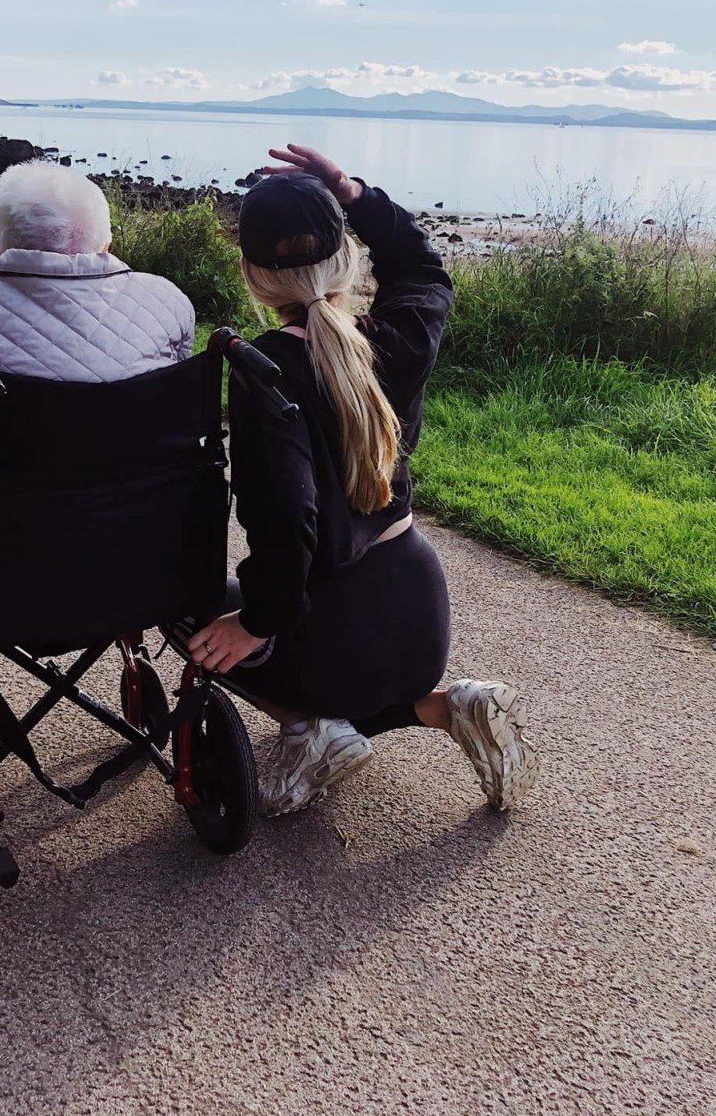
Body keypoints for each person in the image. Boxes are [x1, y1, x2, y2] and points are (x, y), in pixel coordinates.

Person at [187, 145, 539, 817]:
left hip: (333, 634)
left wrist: (256, 622)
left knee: (188, 608)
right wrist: (351, 192)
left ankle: (313, 730)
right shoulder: (397, 338)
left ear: (253, 277)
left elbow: (289, 520)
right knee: (355, 668)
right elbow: (425, 270)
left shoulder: (264, 370)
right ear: (346, 256)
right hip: (418, 614)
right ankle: (446, 705)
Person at [0, 159, 195, 451]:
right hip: (152, 485)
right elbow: (178, 405)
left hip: (16, 492)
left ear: (1, 245)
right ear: (106, 246)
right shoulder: (170, 302)